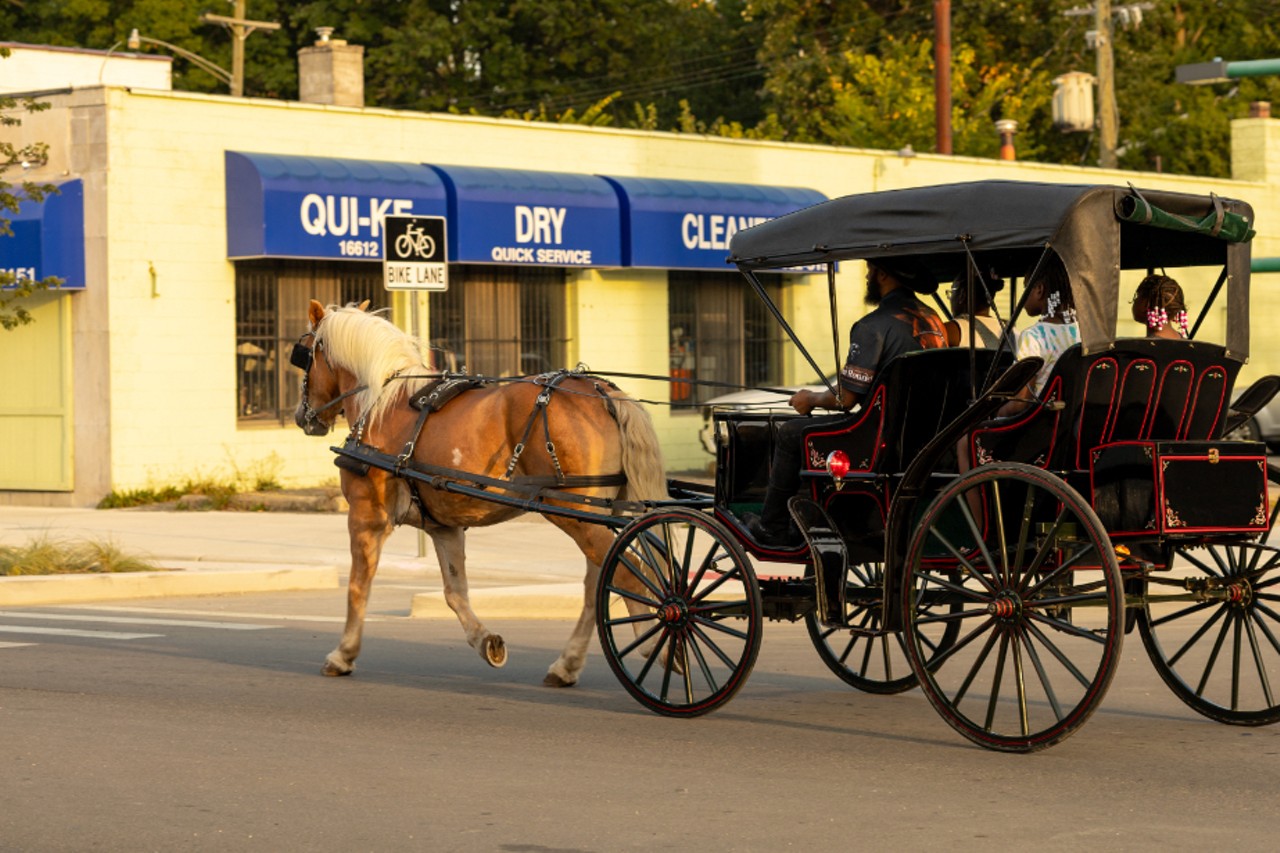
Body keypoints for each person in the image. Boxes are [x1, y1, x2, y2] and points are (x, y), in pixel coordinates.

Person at [744, 257, 948, 547]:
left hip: (880, 442)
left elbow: (846, 398)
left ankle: (772, 527)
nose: (867, 278)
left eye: (870, 271)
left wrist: (810, 399)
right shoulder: (934, 322)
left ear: (884, 275)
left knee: (790, 432)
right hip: (925, 438)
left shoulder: (873, 326)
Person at [997, 252, 1080, 416]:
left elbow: (1020, 402)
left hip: (1041, 425)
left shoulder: (1034, 336)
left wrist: (997, 415)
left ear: (1039, 290)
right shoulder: (1084, 332)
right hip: (1073, 420)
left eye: (1026, 287)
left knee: (966, 439)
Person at [944, 269, 1014, 348]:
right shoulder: (1014, 333)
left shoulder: (950, 331)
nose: (950, 298)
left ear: (962, 295)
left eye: (952, 292)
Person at [1131, 273, 1189, 339]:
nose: (1135, 301)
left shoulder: (1140, 347)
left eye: (1138, 296)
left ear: (1146, 303)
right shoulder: (1189, 346)